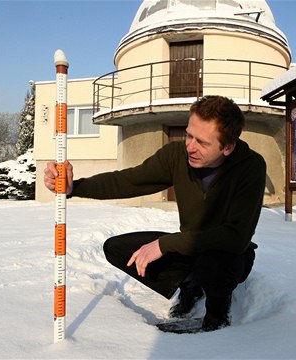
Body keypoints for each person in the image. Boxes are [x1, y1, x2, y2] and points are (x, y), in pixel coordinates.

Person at [44, 95, 266, 332]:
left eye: (202, 142)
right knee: (118, 249)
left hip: (231, 255)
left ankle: (218, 316)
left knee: (213, 262)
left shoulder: (250, 167)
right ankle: (191, 287)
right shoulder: (176, 156)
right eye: (189, 135)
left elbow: (235, 236)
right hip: (191, 247)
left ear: (228, 147)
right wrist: (73, 188)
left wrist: (164, 244)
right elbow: (128, 181)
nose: (190, 146)